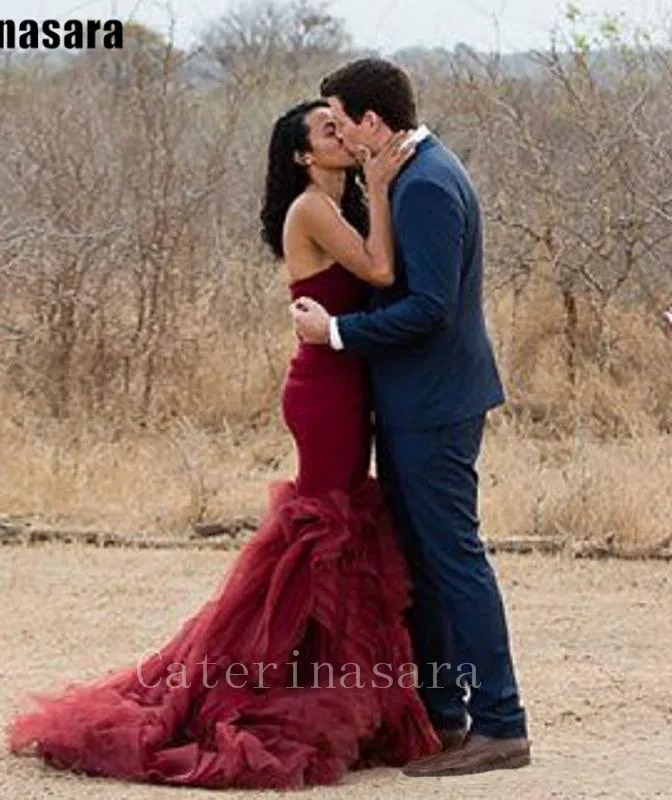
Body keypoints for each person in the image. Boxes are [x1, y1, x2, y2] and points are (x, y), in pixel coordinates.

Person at [7, 98, 442, 789]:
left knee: (337, 526)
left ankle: (317, 683)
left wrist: (376, 195)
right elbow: (381, 272)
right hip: (324, 389)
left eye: (340, 126)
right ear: (304, 156)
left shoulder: (338, 202)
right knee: (322, 527)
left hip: (348, 381)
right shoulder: (311, 208)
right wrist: (384, 189)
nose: (341, 136)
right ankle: (256, 685)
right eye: (327, 132)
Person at [292, 58, 531, 777]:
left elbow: (429, 309)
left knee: (453, 559)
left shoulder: (426, 184)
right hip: (418, 400)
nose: (337, 130)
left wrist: (334, 334)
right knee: (425, 561)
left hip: (433, 404)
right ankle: (444, 716)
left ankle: (501, 722)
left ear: (372, 122)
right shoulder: (412, 175)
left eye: (341, 118)